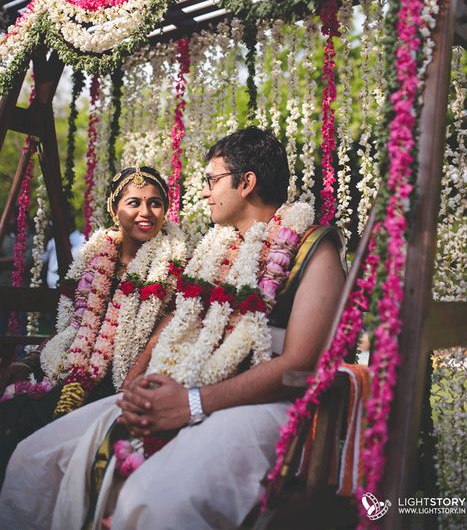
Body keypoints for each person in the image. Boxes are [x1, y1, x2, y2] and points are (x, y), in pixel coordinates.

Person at [0, 128, 345, 529]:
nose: (203, 193)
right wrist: (136, 375)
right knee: (34, 457)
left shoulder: (311, 248)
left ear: (246, 182)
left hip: (257, 404)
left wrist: (193, 403)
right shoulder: (218, 246)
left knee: (151, 504)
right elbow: (179, 315)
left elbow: (301, 363)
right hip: (180, 387)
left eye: (212, 180)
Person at [0, 165, 186, 485]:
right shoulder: (93, 257)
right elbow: (70, 326)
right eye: (134, 203)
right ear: (115, 210)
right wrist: (27, 360)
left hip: (122, 380)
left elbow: (167, 330)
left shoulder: (173, 265)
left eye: (155, 203)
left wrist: (131, 379)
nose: (146, 212)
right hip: (69, 365)